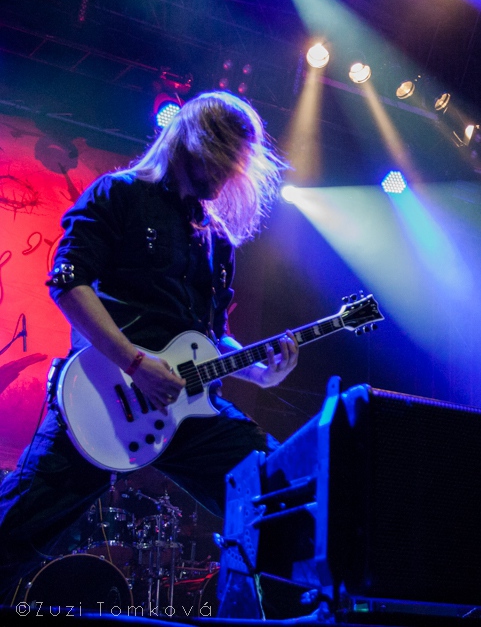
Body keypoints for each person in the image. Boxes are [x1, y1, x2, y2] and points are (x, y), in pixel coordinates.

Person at [0, 91, 298, 602]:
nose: (227, 176)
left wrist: (256, 370)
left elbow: (211, 336)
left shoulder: (215, 238)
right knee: (11, 534)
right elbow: (68, 283)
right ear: (191, 141)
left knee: (280, 494)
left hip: (188, 409)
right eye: (222, 159)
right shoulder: (118, 194)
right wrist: (135, 362)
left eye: (237, 166)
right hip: (104, 397)